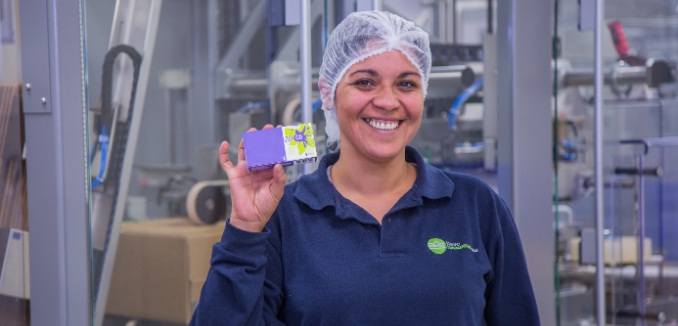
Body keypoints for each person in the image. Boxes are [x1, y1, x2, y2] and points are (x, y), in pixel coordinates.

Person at [191, 10, 540, 325]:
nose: (388, 101)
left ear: (423, 93)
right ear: (328, 93)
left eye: (406, 84)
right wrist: (245, 229)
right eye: (364, 82)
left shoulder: (476, 205)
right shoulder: (283, 215)